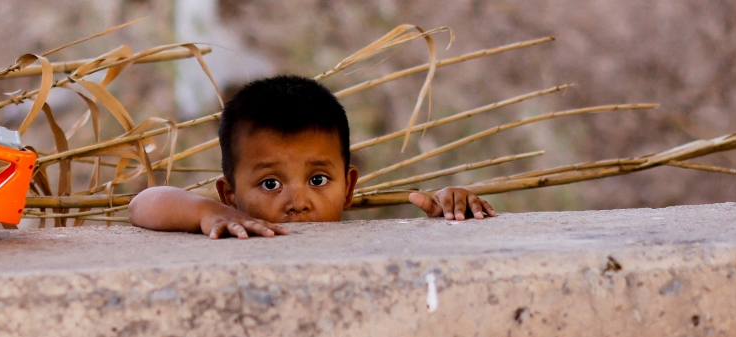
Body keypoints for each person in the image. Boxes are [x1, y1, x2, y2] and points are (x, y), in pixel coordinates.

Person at [128, 74, 497, 239]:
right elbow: (143, 203)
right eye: (270, 183)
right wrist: (207, 213)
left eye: (318, 180)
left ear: (349, 187)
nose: (298, 202)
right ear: (230, 194)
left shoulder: (358, 245)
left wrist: (451, 213)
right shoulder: (233, 228)